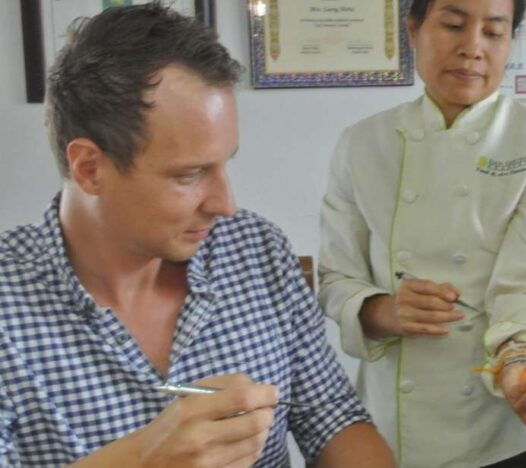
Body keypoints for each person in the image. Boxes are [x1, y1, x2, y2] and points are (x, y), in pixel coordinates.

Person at [0, 4, 394, 467]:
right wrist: (144, 457)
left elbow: (332, 418)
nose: (225, 204)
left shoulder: (255, 250)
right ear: (90, 168)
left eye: (226, 162)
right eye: (190, 175)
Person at [317, 0, 526, 465]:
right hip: (385, 429)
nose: (472, 49)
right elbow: (336, 278)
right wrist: (384, 311)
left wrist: (521, 361)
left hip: (494, 427)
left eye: (494, 33)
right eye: (454, 25)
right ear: (414, 28)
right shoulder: (362, 143)